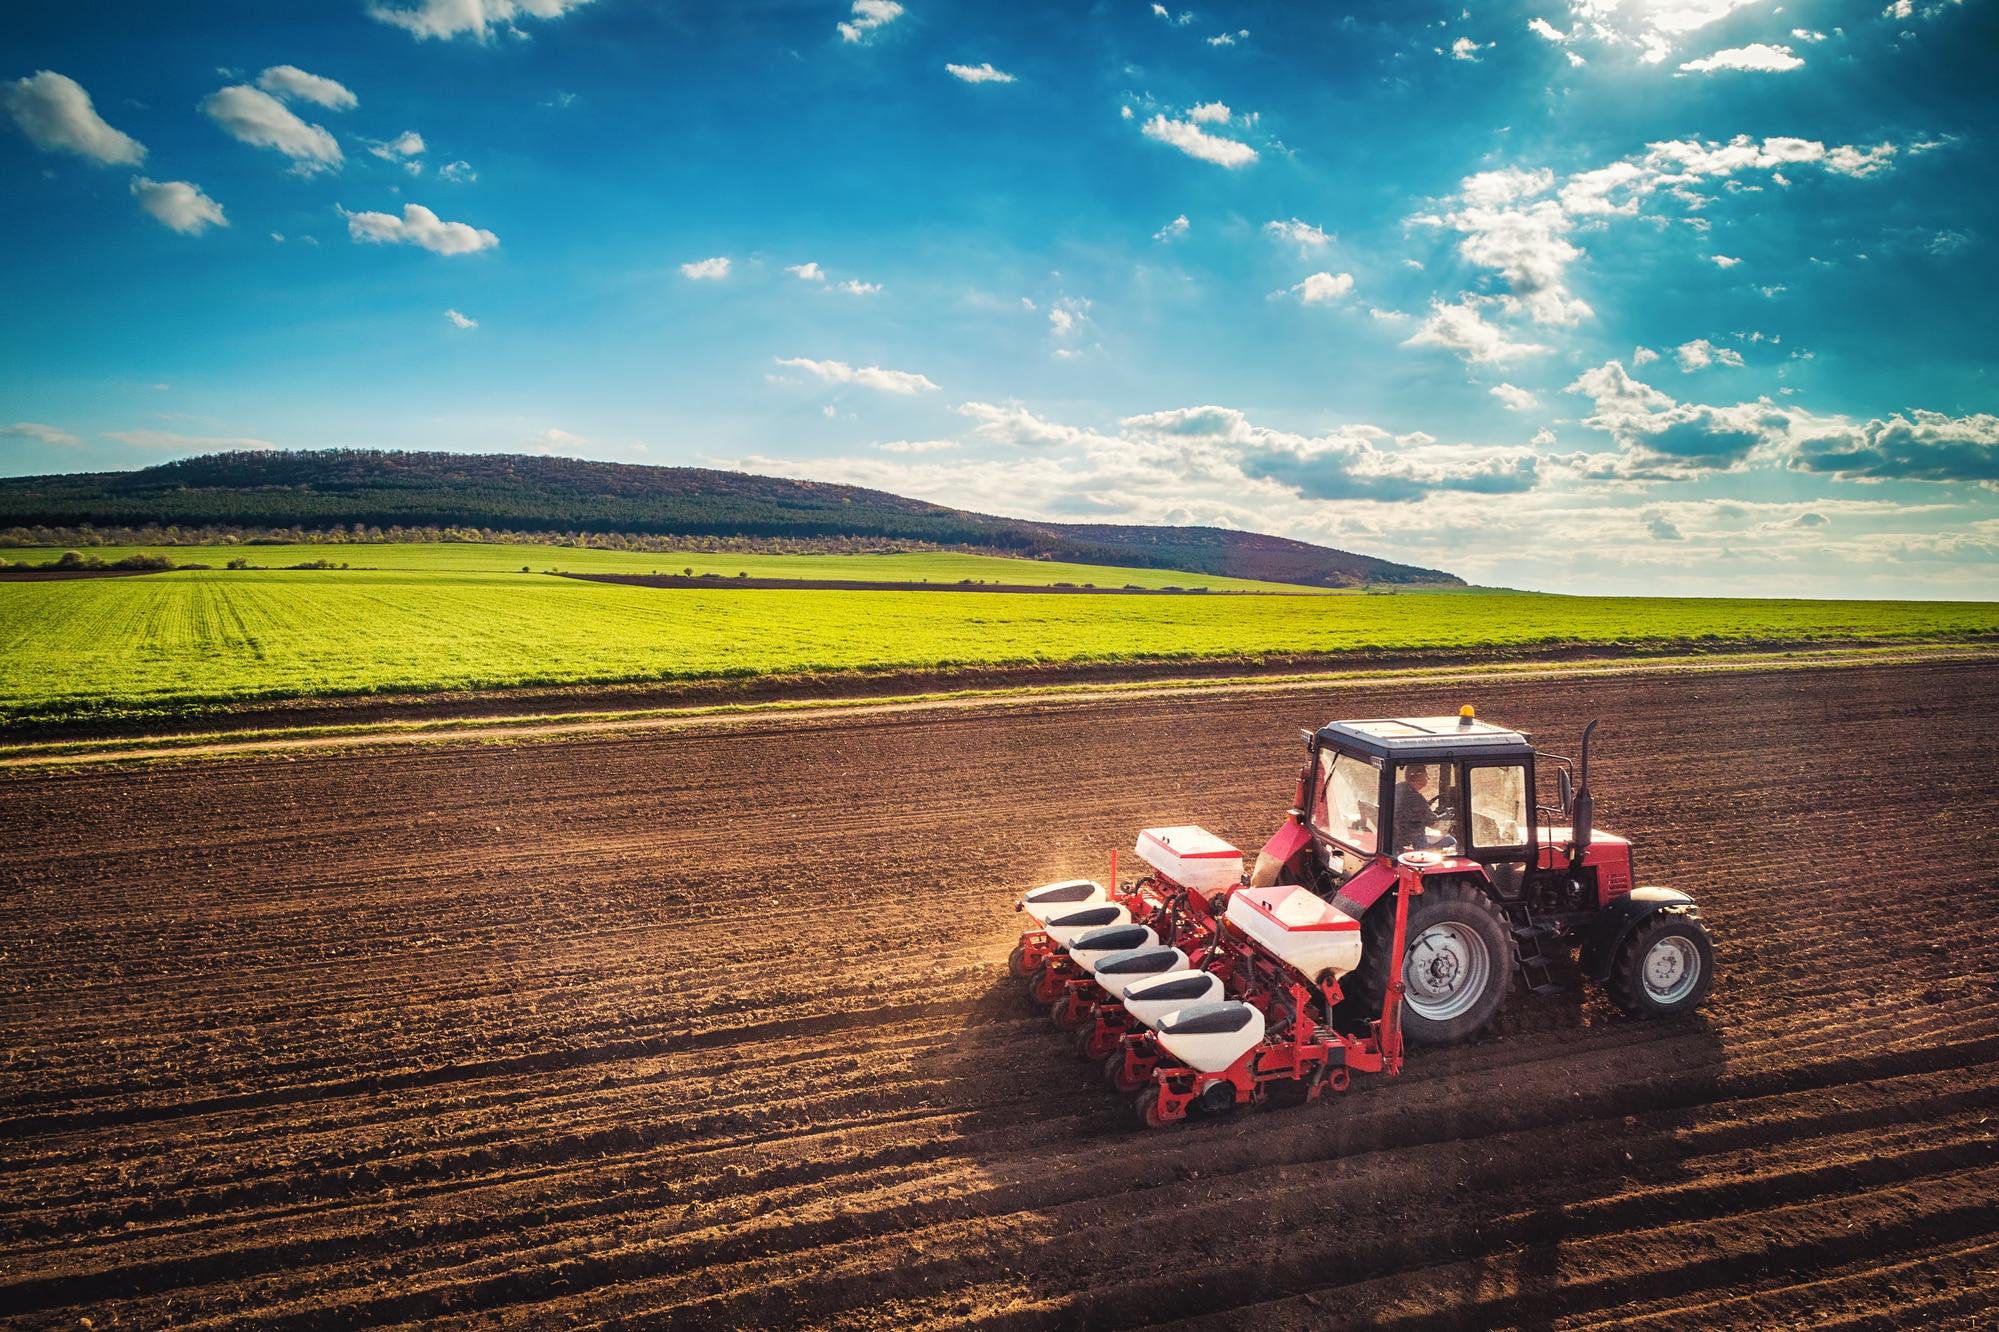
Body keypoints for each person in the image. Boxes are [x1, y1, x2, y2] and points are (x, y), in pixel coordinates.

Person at [1393, 763, 1438, 851]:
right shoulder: (1417, 799)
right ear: (1419, 778)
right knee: (1451, 841)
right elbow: (1433, 823)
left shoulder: (1397, 788)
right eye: (1426, 776)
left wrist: (1426, 805)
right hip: (1412, 841)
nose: (1428, 779)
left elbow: (1407, 808)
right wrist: (1447, 816)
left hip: (1396, 836)